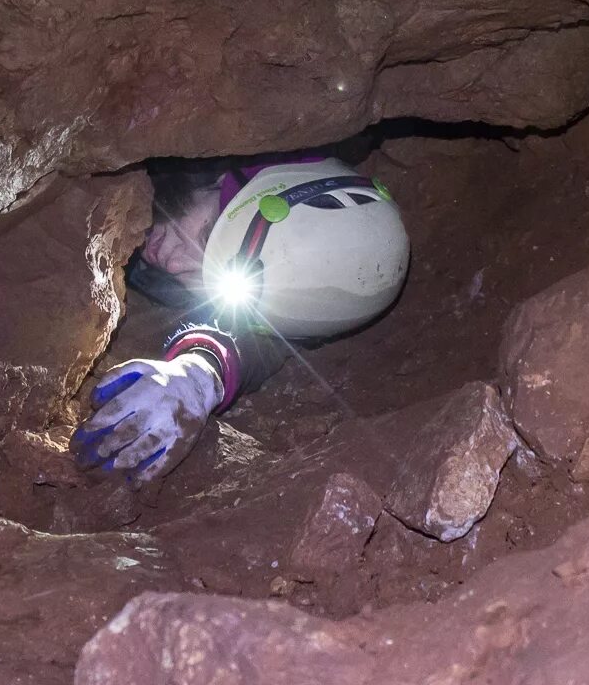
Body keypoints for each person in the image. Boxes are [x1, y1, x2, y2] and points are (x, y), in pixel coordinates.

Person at [70, 154, 410, 486]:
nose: (174, 264)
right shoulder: (184, 156)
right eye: (205, 236)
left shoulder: (286, 300)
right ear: (220, 182)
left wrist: (199, 374)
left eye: (208, 273)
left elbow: (257, 341)